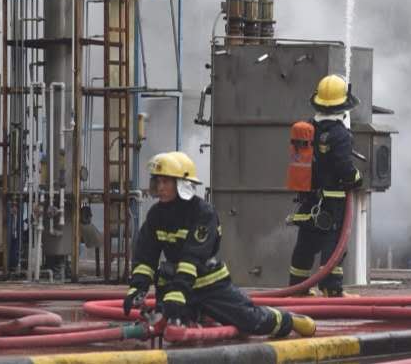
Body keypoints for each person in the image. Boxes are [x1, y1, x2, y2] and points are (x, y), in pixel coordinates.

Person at [124, 151, 315, 338]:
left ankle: (287, 320)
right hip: (175, 287)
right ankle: (196, 315)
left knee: (250, 321)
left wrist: (178, 292)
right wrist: (137, 289)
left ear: (182, 183)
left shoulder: (202, 213)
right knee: (169, 330)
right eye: (157, 181)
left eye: (166, 181)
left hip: (209, 286)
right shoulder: (156, 215)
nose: (160, 187)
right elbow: (145, 256)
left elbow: (192, 258)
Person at [287, 74, 363, 297]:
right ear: (344, 105)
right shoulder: (340, 134)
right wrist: (356, 178)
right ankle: (332, 288)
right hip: (332, 201)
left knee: (306, 243)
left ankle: (297, 287)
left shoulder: (310, 128)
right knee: (335, 244)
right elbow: (343, 167)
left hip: (309, 199)